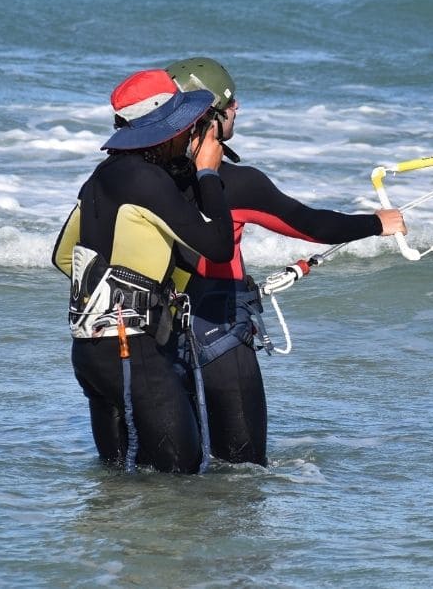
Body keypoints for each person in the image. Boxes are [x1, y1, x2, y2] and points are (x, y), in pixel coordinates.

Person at [163, 57, 407, 466]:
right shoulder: (235, 183)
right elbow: (311, 225)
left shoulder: (141, 177)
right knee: (243, 473)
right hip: (220, 337)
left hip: (162, 339)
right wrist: (376, 223)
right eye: (231, 103)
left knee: (182, 470)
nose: (237, 108)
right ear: (210, 118)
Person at [51, 68, 233, 474]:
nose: (190, 134)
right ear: (165, 130)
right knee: (181, 482)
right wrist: (207, 173)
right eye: (184, 126)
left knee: (118, 483)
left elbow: (64, 257)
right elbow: (218, 247)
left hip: (91, 353)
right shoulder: (147, 181)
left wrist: (120, 291)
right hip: (134, 354)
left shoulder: (99, 179)